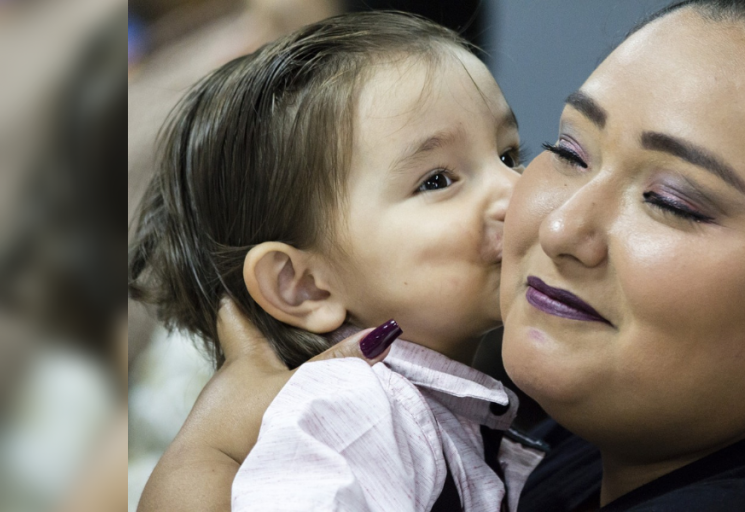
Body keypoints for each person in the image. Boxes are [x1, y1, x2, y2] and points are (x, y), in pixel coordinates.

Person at [181, 0, 745, 510]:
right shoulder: (574, 430)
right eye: (569, 151)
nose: (555, 225)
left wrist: (203, 460)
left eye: (673, 201)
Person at [129, 12, 542, 512]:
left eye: (508, 154)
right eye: (437, 180)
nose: (518, 191)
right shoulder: (354, 410)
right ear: (304, 286)